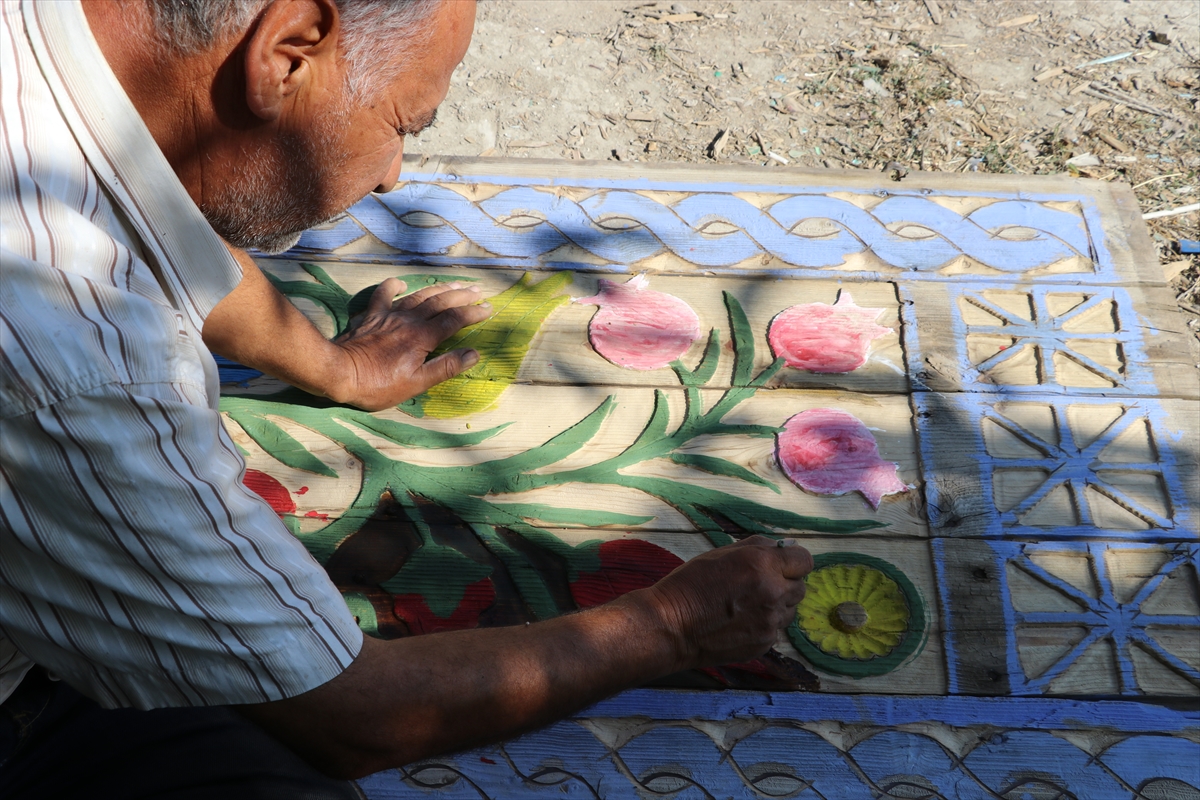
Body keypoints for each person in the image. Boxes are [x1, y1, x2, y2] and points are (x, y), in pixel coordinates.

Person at [0, 1, 814, 796]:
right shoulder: (80, 356)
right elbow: (356, 714)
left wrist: (333, 364)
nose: (394, 174)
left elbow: (147, 210)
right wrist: (673, 623)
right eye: (403, 124)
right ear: (287, 51)